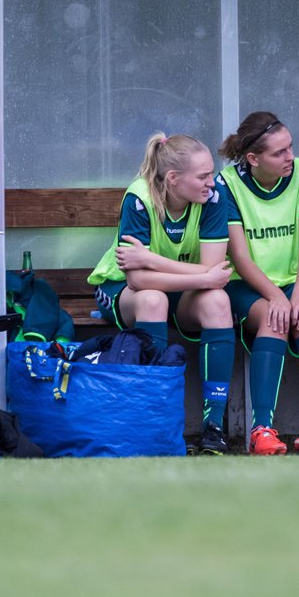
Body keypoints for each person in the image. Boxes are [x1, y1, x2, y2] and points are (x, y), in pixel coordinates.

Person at [88, 134, 236, 455]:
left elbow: (215, 273)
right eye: (202, 176)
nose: (211, 182)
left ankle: (213, 426)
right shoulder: (138, 198)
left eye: (211, 173)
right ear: (173, 179)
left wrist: (152, 259)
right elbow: (138, 280)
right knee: (153, 299)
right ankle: (155, 420)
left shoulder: (213, 196)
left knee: (218, 302)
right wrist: (202, 275)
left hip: (177, 288)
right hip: (123, 290)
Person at [218, 111, 299, 455]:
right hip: (251, 285)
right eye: (279, 153)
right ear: (253, 159)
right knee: (274, 320)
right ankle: (262, 432)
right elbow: (239, 255)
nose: (290, 157)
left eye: (290, 148)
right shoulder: (226, 184)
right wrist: (276, 296)